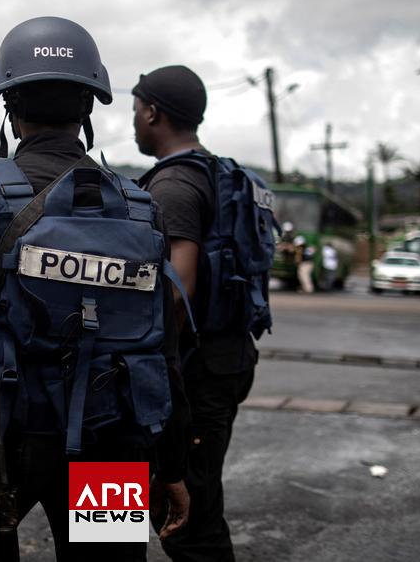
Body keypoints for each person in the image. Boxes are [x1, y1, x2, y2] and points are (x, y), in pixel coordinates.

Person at [0, 17, 189, 561]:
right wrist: (168, 467)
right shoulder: (144, 212)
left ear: (7, 103)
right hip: (110, 449)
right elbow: (163, 353)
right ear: (89, 106)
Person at [133, 64, 265, 562]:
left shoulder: (172, 187)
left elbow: (177, 292)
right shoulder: (220, 171)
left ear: (152, 112)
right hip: (227, 357)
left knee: (187, 519)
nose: (133, 123)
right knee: (192, 501)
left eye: (135, 111)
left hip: (192, 373)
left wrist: (138, 376)